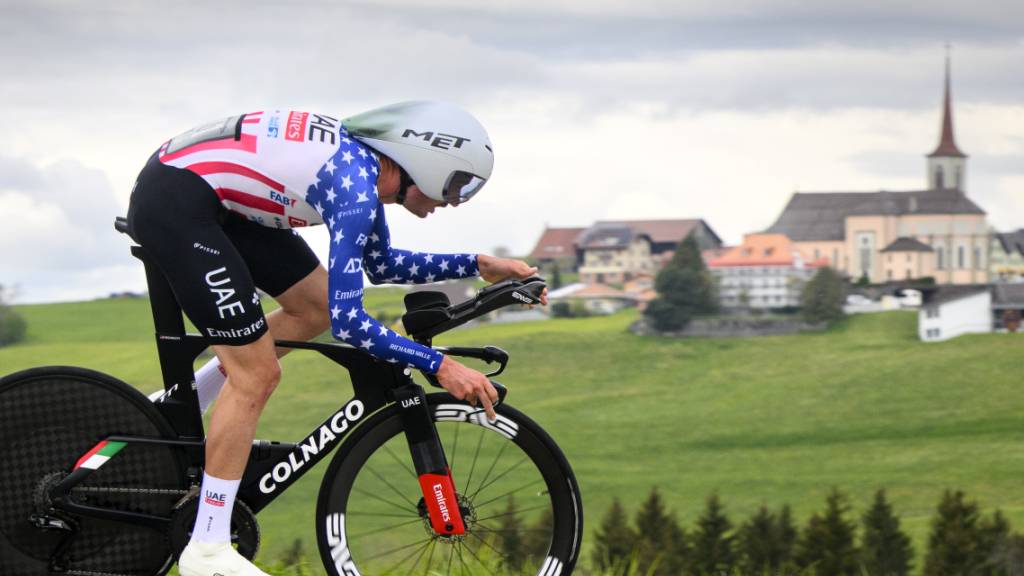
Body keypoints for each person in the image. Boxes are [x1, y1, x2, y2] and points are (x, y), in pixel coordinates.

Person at [126, 101, 545, 576]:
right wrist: (440, 365)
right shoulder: (355, 188)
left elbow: (381, 265)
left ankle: (175, 409)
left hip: (211, 200)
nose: (453, 201)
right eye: (456, 185)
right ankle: (207, 548)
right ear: (422, 158)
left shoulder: (362, 170)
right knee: (257, 374)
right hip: (179, 205)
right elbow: (351, 324)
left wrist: (478, 264)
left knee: (315, 307)